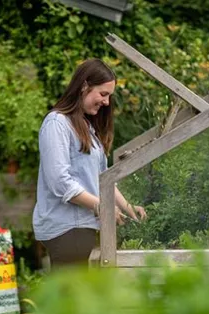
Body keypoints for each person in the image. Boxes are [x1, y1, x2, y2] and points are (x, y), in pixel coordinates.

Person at [33, 58, 146, 267]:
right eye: (103, 94)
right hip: (66, 228)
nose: (107, 102)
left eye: (109, 96)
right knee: (70, 297)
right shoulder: (57, 123)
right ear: (84, 86)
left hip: (80, 228)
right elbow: (60, 182)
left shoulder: (86, 128)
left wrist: (128, 208)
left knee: (73, 297)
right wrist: (101, 207)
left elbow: (102, 179)